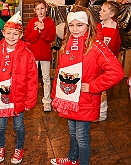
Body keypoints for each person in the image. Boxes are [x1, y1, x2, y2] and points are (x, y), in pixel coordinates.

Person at [50, 5, 124, 165]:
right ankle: (72, 159)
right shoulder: (67, 43)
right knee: (72, 132)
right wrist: (55, 95)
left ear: (88, 24)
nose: (75, 29)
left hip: (85, 100)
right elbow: (60, 71)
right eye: (71, 25)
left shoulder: (96, 46)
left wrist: (93, 86)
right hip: (68, 99)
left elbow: (117, 72)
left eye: (79, 25)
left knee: (81, 137)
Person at [0, 11, 38, 164]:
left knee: (18, 125)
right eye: (9, 33)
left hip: (18, 96)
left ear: (21, 35)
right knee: (0, 126)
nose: (12, 37)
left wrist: (30, 99)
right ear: (3, 33)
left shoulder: (27, 55)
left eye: (15, 34)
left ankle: (19, 148)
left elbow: (32, 80)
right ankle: (1, 146)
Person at [24, 0, 56, 112]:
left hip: (45, 55)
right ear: (34, 11)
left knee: (46, 79)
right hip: (33, 55)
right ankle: (29, 99)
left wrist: (43, 29)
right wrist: (37, 31)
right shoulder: (31, 22)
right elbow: (28, 38)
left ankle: (47, 101)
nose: (40, 11)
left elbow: (51, 38)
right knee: (32, 78)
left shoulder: (50, 22)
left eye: (42, 8)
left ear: (46, 9)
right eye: (38, 9)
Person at [96, 1, 121, 121]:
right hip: (98, 62)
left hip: (106, 64)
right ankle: (96, 111)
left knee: (102, 88)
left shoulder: (112, 30)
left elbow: (108, 50)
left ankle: (102, 112)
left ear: (111, 14)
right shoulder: (100, 25)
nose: (100, 12)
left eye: (103, 11)